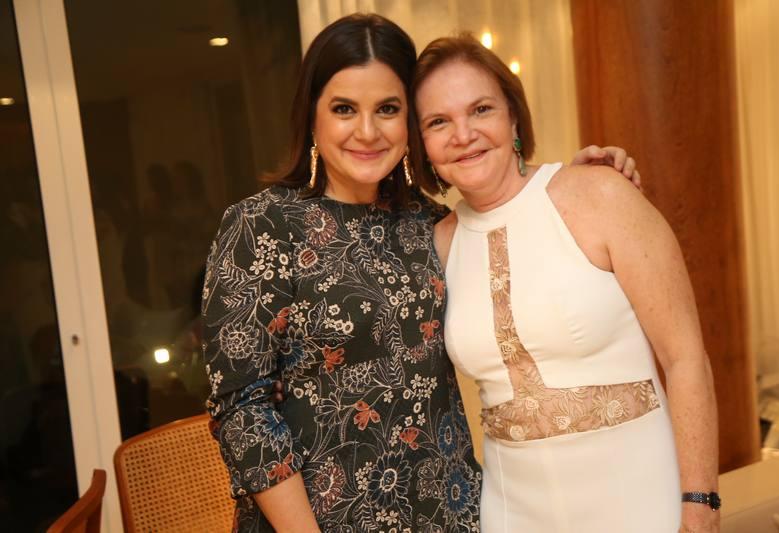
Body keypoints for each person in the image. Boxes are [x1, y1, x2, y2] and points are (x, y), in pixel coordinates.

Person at [202, 14, 638, 532]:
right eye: (344, 109)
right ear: (311, 116)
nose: (367, 131)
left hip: (447, 514)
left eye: (387, 109)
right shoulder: (261, 226)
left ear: (410, 121)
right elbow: (243, 411)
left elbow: (523, 246)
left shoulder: (432, 224)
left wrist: (576, 186)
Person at [415, 35, 719, 533]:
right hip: (513, 514)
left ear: (514, 117)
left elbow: (685, 358)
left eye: (481, 109)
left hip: (642, 502)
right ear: (423, 146)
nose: (463, 134)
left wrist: (700, 505)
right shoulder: (437, 244)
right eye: (438, 122)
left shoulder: (601, 195)